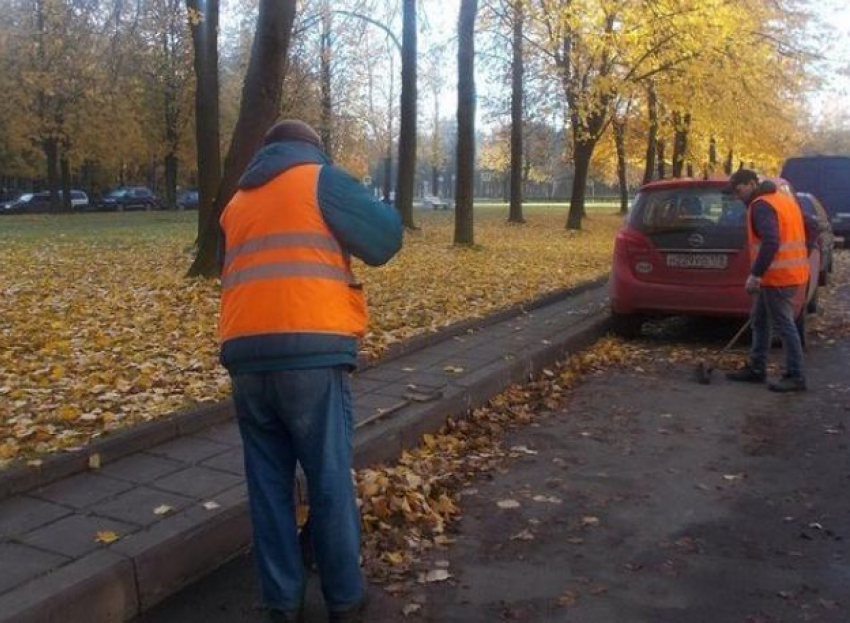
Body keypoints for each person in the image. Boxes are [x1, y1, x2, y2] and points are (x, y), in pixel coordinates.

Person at [218, 120, 403, 622]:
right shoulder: (320, 178)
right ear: (311, 149)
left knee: (268, 485)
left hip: (246, 360)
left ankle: (280, 602)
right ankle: (344, 597)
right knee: (326, 479)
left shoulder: (236, 202)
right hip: (311, 357)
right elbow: (385, 239)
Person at [724, 169, 809, 392]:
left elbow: (771, 241)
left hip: (778, 277)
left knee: (784, 325)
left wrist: (756, 274)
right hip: (786, 274)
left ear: (752, 184)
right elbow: (812, 226)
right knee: (759, 319)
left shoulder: (761, 206)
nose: (736, 195)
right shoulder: (783, 199)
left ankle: (796, 376)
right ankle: (756, 368)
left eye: (739, 190)